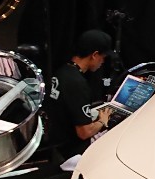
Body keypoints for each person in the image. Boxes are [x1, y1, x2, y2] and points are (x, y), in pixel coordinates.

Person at [44, 29, 114, 160]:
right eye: (103, 57)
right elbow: (84, 133)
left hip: (56, 140)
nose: (103, 62)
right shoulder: (77, 84)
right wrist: (102, 121)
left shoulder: (62, 71)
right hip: (71, 151)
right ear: (94, 55)